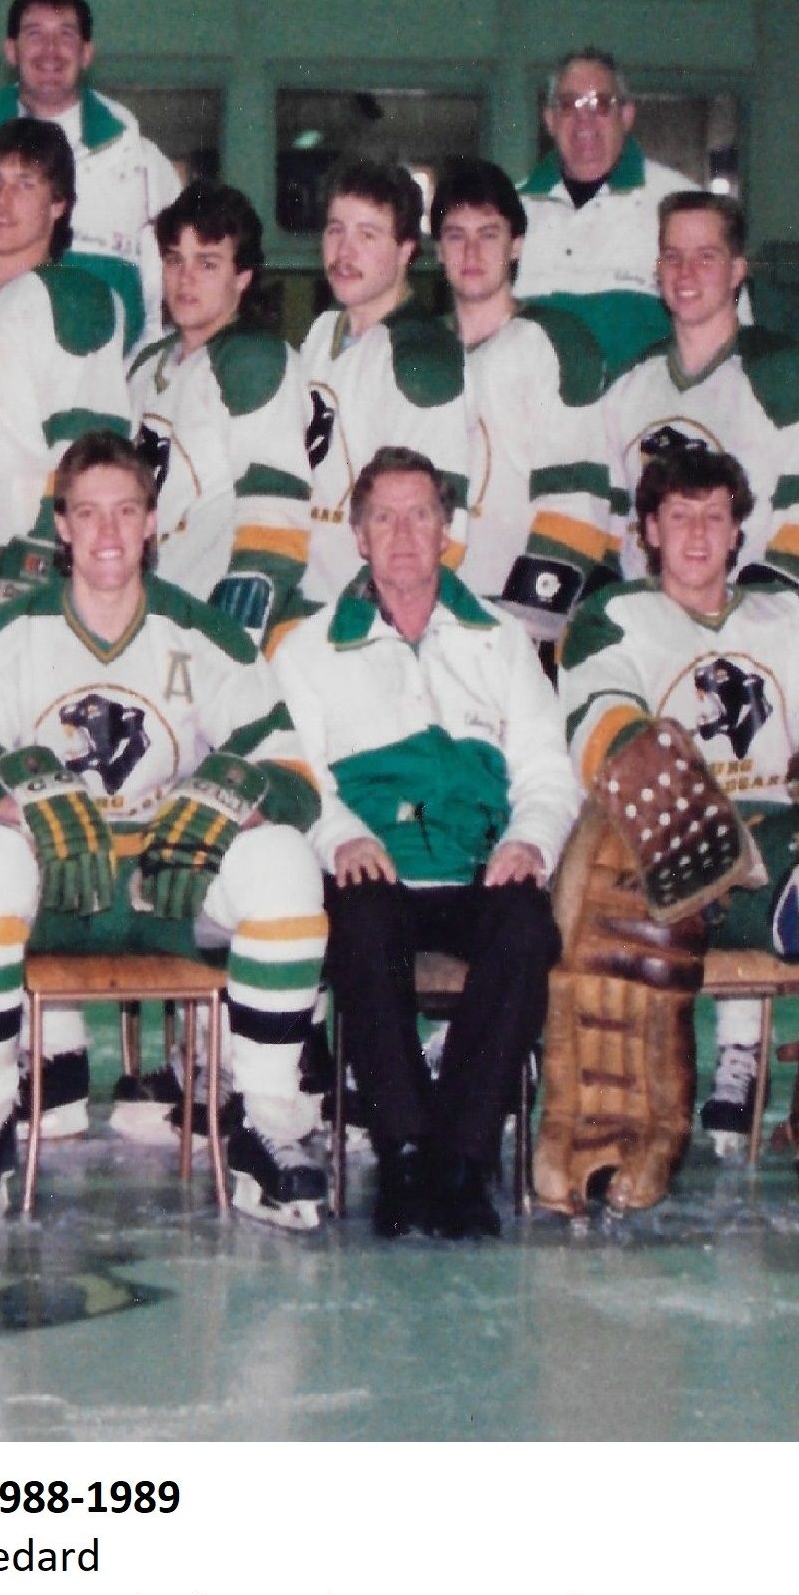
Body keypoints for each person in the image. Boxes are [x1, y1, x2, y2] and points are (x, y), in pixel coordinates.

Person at [0, 431, 329, 1226]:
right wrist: (20, 806)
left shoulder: (204, 633)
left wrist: (225, 798)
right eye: (87, 514)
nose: (107, 534)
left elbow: (294, 778)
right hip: (52, 885)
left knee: (281, 857)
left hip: (165, 884)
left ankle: (266, 1120)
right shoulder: (10, 633)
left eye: (126, 512)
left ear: (151, 525)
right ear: (62, 528)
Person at [547, 445, 799, 1211]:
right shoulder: (613, 617)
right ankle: (633, 1133)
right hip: (666, 854)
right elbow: (599, 711)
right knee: (624, 888)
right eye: (678, 516)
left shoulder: (782, 615)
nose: (696, 534)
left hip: (775, 851)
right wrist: (670, 795)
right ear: (648, 527)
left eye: (714, 516)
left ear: (738, 529)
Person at [274, 448, 579, 1239]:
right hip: (376, 869)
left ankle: (463, 1159)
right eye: (385, 516)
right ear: (359, 536)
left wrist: (531, 840)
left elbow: (549, 766)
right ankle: (405, 1148)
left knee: (526, 927)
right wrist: (338, 834)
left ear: (448, 529)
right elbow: (294, 774)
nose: (404, 533)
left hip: (479, 865)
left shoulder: (502, 640)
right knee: (363, 923)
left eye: (421, 515)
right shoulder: (308, 649)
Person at [214, 160, 471, 642]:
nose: (344, 251)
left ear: (406, 251)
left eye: (368, 235)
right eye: (336, 230)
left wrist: (375, 633)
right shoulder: (320, 333)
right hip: (304, 613)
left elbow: (441, 532)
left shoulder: (422, 359)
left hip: (371, 625)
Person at [598, 191, 799, 610]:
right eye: (672, 257)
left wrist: (746, 621)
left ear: (737, 271)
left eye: (706, 257)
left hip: (759, 635)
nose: (685, 273)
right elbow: (609, 519)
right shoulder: (629, 383)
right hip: (653, 633)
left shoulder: (789, 376)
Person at [0, 0, 182, 348]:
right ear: (10, 50)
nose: (50, 51)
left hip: (112, 393)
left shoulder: (138, 164)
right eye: (35, 34)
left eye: (66, 35)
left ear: (87, 52)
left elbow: (171, 301)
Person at [429, 158, 619, 645]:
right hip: (427, 610)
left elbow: (578, 495)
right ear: (437, 249)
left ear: (516, 244)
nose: (471, 250)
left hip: (516, 619)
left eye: (488, 234)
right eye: (455, 235)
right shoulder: (418, 351)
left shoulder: (556, 342)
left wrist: (528, 624)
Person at [0, 118, 131, 584]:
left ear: (58, 204)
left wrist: (40, 560)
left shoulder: (70, 297)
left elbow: (88, 454)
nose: (2, 200)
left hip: (19, 555)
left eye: (25, 184)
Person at [128, 180, 311, 603]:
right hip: (144, 610)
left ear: (243, 276)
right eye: (175, 260)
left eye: (207, 263)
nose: (185, 279)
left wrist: (239, 621)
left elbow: (275, 512)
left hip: (208, 617)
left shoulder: (253, 360)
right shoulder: (146, 364)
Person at [512, 49, 708, 373]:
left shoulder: (683, 204)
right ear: (550, 119)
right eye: (569, 105)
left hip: (643, 419)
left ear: (627, 115)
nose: (584, 119)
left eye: (601, 104)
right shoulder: (510, 211)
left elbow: (728, 333)